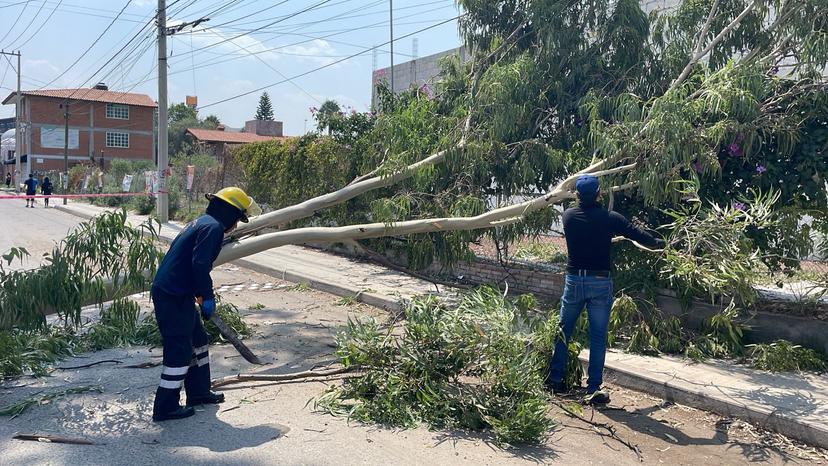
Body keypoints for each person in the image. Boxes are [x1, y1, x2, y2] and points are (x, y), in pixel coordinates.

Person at [546, 175, 664, 405]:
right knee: (597, 337)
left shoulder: (568, 216)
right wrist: (660, 243)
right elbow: (636, 234)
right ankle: (593, 389)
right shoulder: (610, 219)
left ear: (577, 196)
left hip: (574, 281)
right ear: (599, 194)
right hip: (600, 283)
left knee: (563, 330)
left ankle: (554, 380)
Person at [151, 187, 260, 422]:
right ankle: (165, 407)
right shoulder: (212, 229)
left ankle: (198, 393)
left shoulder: (202, 222)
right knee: (179, 350)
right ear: (231, 214)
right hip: (172, 295)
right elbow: (199, 265)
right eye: (238, 219)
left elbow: (192, 263)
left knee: (198, 341)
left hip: (179, 292)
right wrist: (206, 296)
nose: (236, 226)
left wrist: (198, 295)